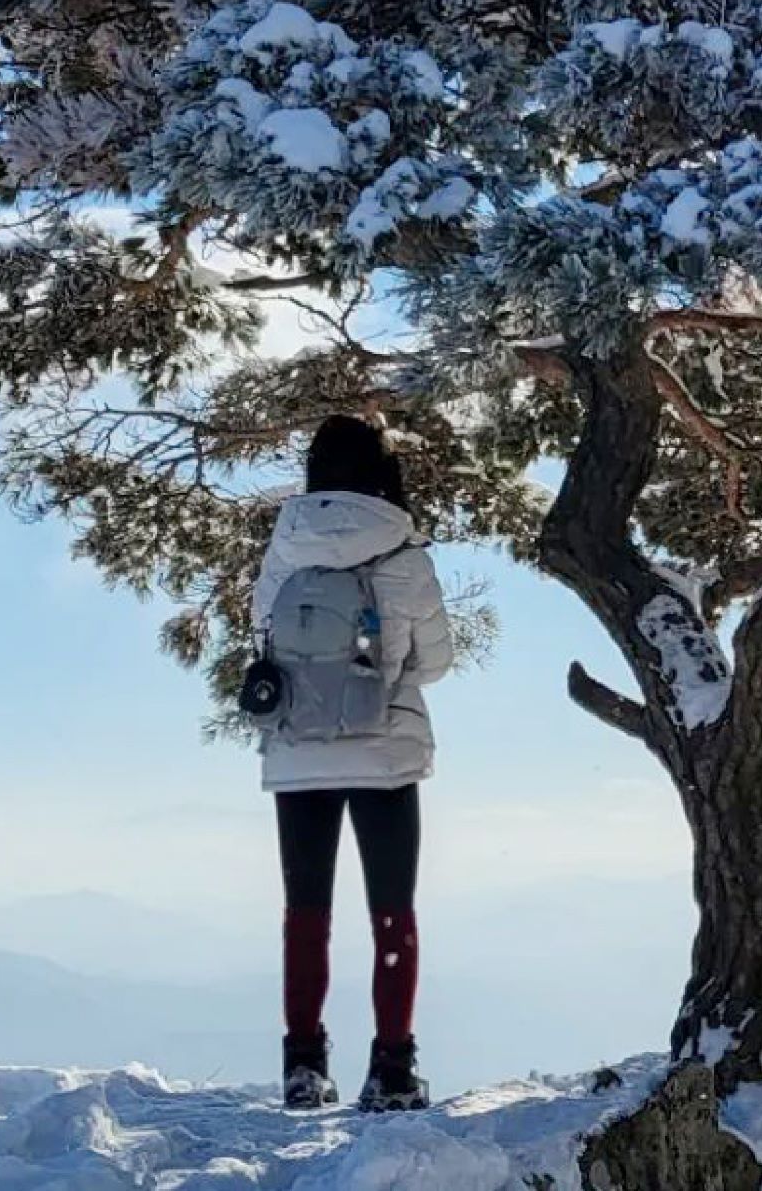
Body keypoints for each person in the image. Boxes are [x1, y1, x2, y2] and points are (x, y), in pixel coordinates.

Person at [251, 415, 454, 1112]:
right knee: (390, 914)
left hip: (297, 753)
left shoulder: (286, 545)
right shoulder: (404, 550)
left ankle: (303, 1065)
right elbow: (438, 661)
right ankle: (392, 1068)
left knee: (306, 914)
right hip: (385, 754)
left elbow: (264, 636)